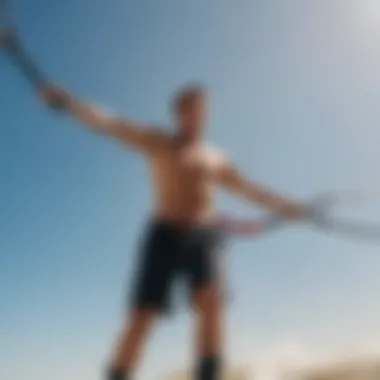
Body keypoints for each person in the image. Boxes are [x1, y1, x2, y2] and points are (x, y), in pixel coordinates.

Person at [40, 83, 305, 380]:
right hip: (164, 235)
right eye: (191, 109)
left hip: (203, 236)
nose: (198, 115)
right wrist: (68, 103)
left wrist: (287, 207)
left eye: (203, 110)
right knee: (143, 316)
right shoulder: (158, 141)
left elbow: (248, 189)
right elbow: (112, 124)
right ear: (179, 113)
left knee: (212, 301)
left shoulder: (217, 158)